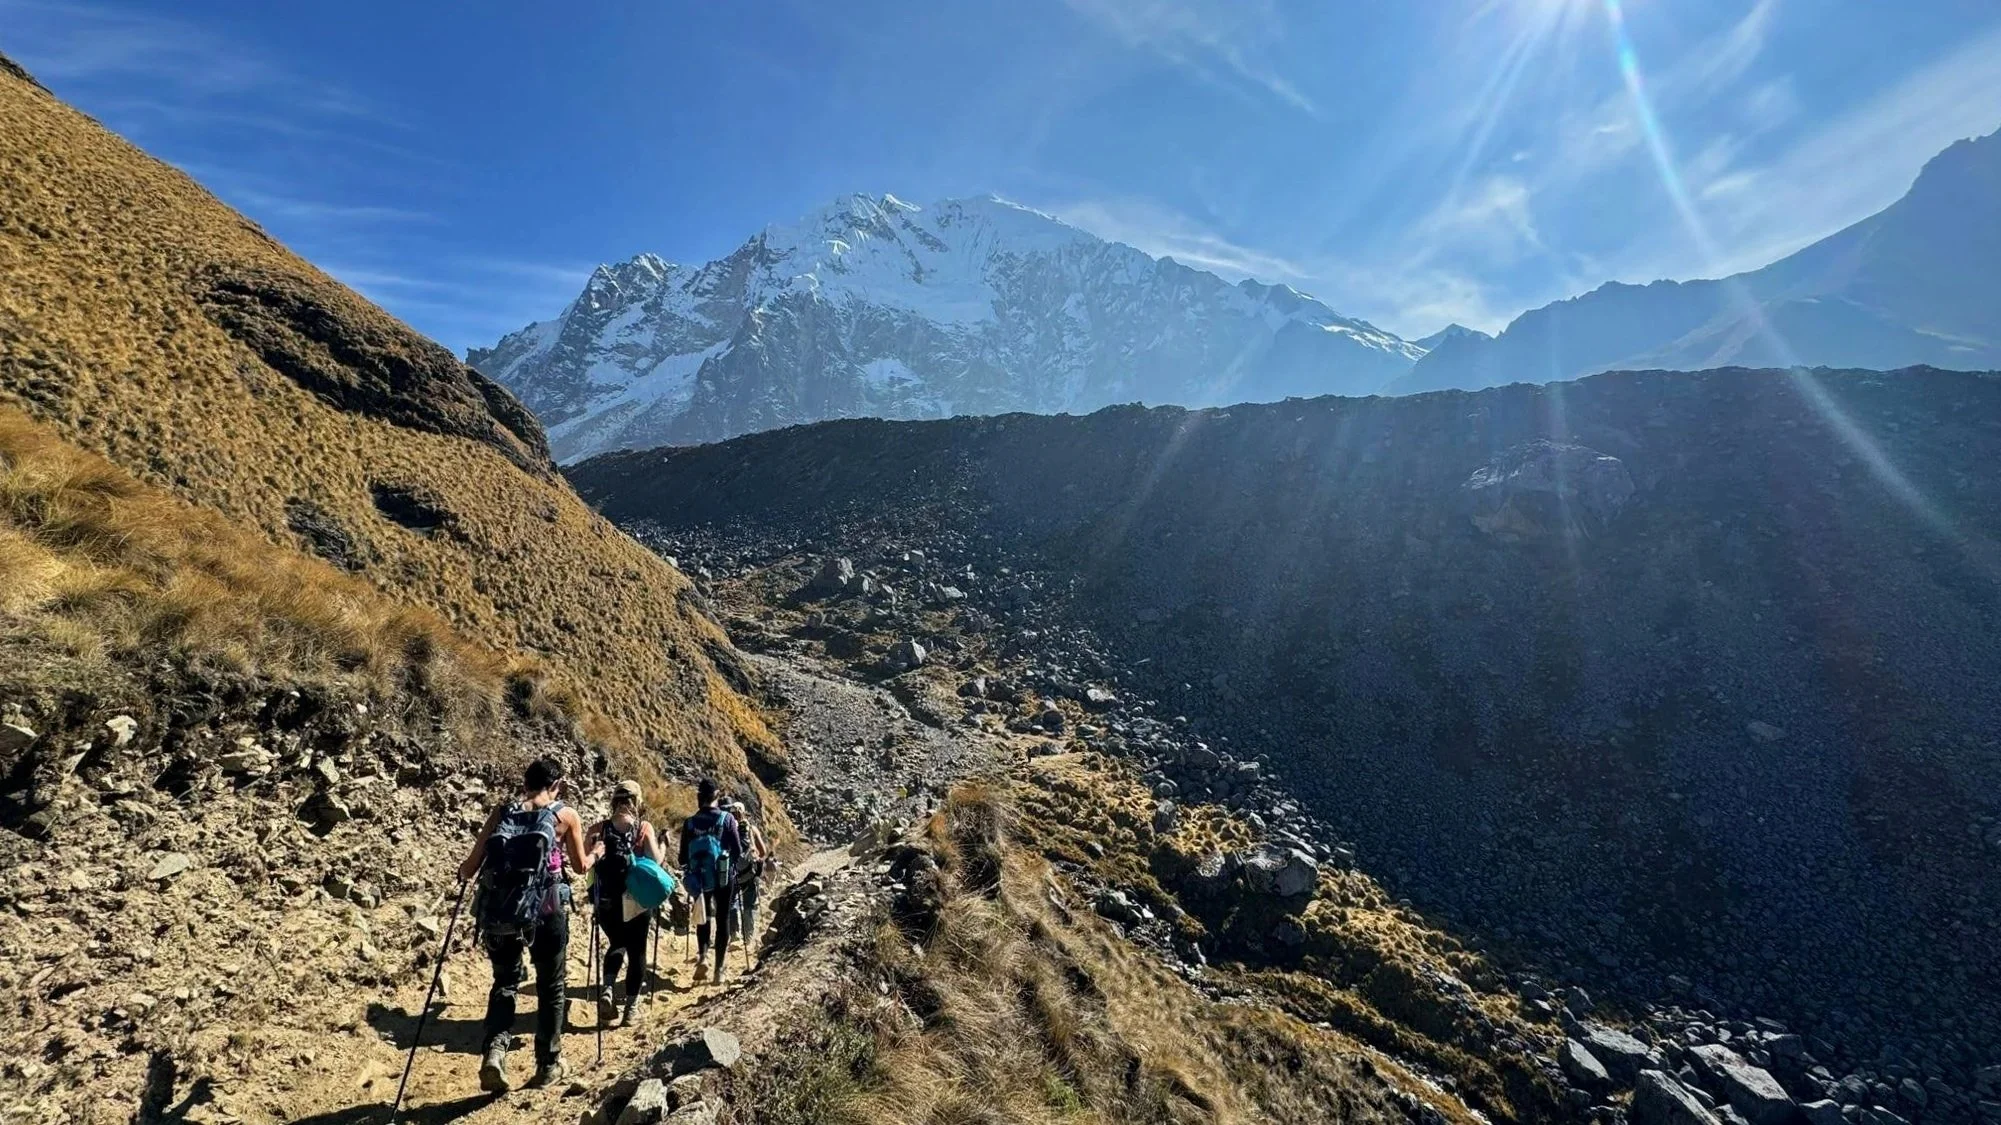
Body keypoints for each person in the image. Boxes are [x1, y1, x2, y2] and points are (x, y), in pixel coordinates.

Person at [459, 756, 601, 1093]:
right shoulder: (565, 815)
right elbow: (581, 867)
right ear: (556, 786)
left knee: (505, 982)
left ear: (525, 783)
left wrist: (463, 874)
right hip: (547, 909)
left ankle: (495, 1052)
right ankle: (547, 1064)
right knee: (551, 986)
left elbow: (469, 867)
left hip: (501, 911)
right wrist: (598, 852)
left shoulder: (502, 813)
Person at [587, 779, 660, 1028]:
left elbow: (588, 863)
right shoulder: (643, 828)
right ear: (637, 801)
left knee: (617, 943)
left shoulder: (599, 828)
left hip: (607, 899)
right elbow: (656, 861)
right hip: (637, 900)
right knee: (637, 949)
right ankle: (631, 1008)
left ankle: (607, 988)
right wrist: (663, 845)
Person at [678, 778, 745, 983]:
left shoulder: (689, 823)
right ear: (717, 796)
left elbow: (681, 858)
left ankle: (703, 957)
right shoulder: (727, 819)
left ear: (699, 797)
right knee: (723, 918)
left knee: (703, 917)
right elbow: (738, 850)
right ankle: (719, 970)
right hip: (724, 876)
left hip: (700, 878)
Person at [728, 799, 771, 951]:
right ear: (743, 812)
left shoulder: (726, 829)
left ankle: (734, 934)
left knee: (731, 902)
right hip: (750, 874)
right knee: (748, 906)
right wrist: (757, 861)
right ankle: (749, 937)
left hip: (732, 874)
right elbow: (763, 851)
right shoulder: (751, 829)